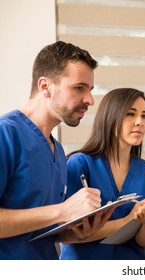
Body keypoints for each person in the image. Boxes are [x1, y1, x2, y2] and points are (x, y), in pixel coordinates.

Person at [0, 41, 113, 260]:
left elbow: (39, 229)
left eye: (90, 90)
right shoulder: (6, 134)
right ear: (45, 87)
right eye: (79, 88)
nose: (90, 100)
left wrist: (76, 231)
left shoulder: (58, 151)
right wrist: (63, 211)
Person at [59, 88, 145, 260]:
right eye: (130, 114)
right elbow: (68, 233)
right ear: (110, 117)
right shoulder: (79, 165)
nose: (140, 122)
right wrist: (127, 220)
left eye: (144, 116)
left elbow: (144, 242)